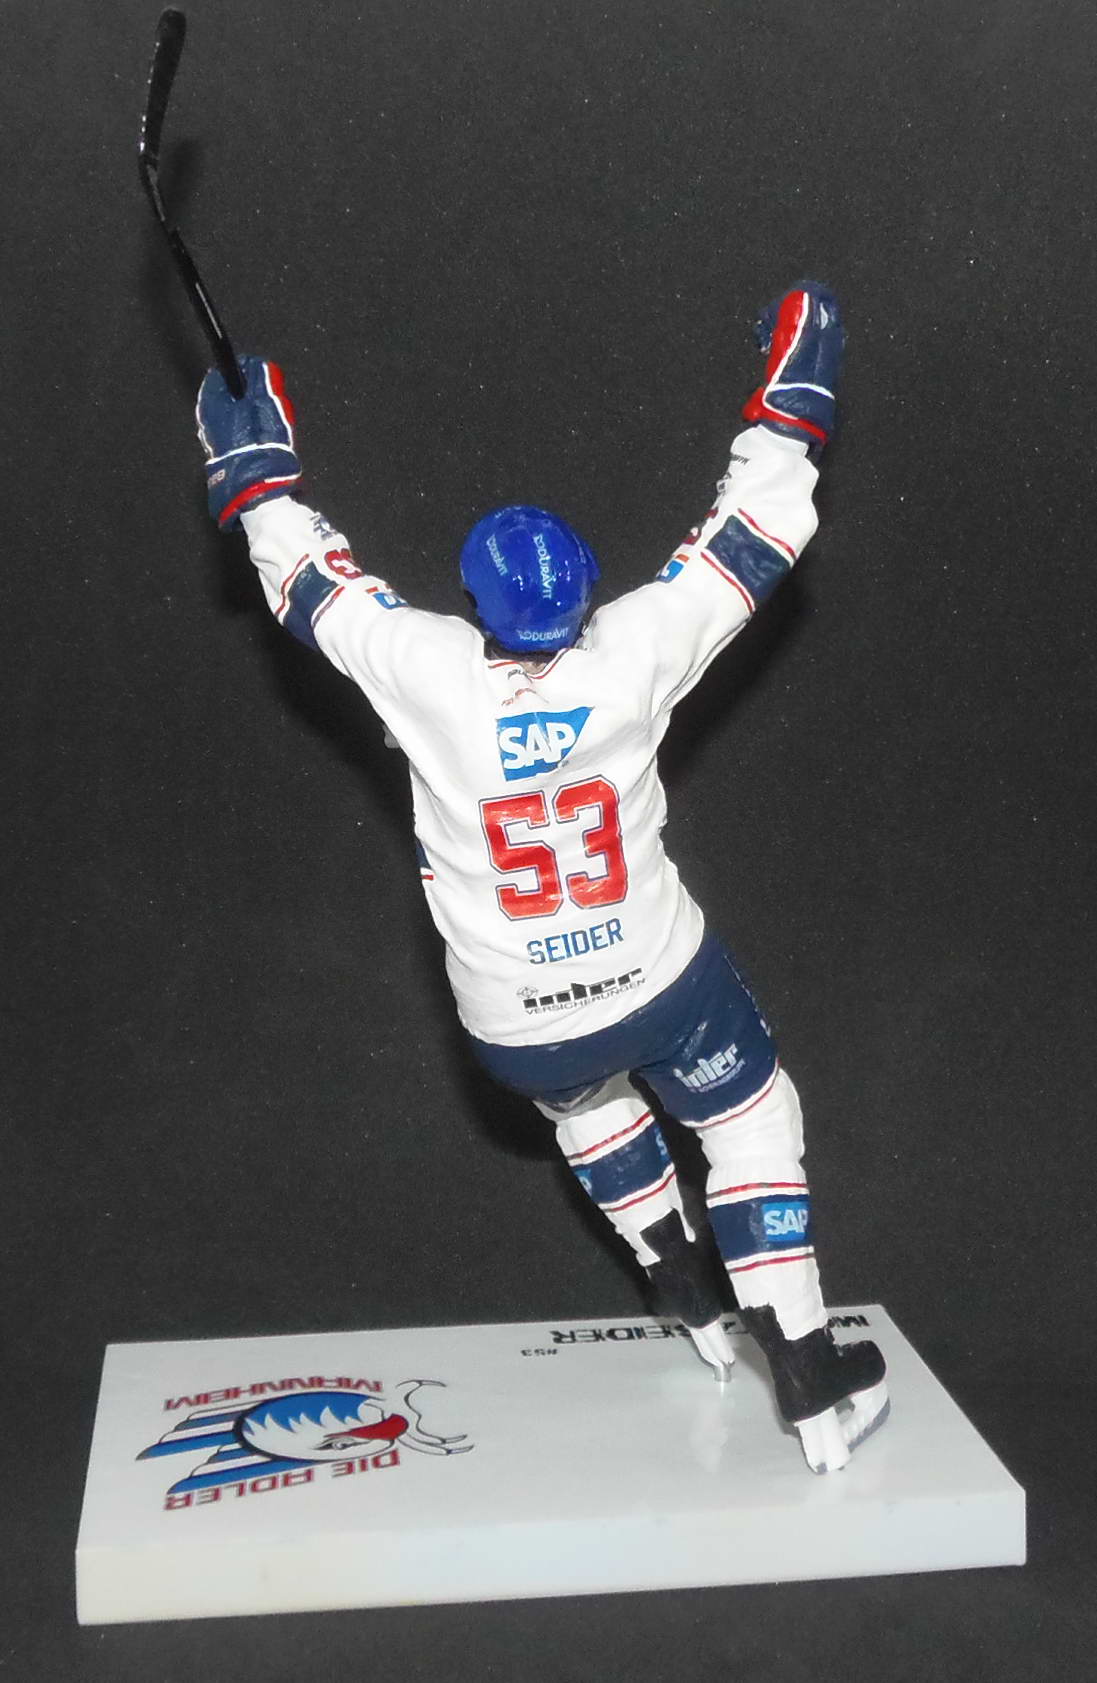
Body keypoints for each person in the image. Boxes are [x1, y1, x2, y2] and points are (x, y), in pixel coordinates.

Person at [195, 283, 888, 1473]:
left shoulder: (426, 668)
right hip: (657, 976)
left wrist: (252, 469)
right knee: (749, 1121)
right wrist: (795, 403)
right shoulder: (631, 653)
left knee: (590, 1108)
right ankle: (805, 1365)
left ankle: (680, 1284)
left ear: (475, 601)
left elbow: (305, 578)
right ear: (584, 588)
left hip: (514, 1017)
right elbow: (752, 538)